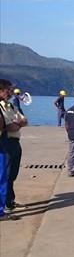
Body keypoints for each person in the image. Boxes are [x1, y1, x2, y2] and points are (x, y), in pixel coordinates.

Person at [0, 79, 27, 212]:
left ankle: (10, 200)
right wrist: (16, 124)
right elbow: (9, 126)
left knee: (13, 174)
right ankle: (5, 204)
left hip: (15, 143)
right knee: (6, 174)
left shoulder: (9, 105)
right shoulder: (1, 107)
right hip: (6, 143)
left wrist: (17, 124)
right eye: (7, 90)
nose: (10, 92)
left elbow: (24, 119)